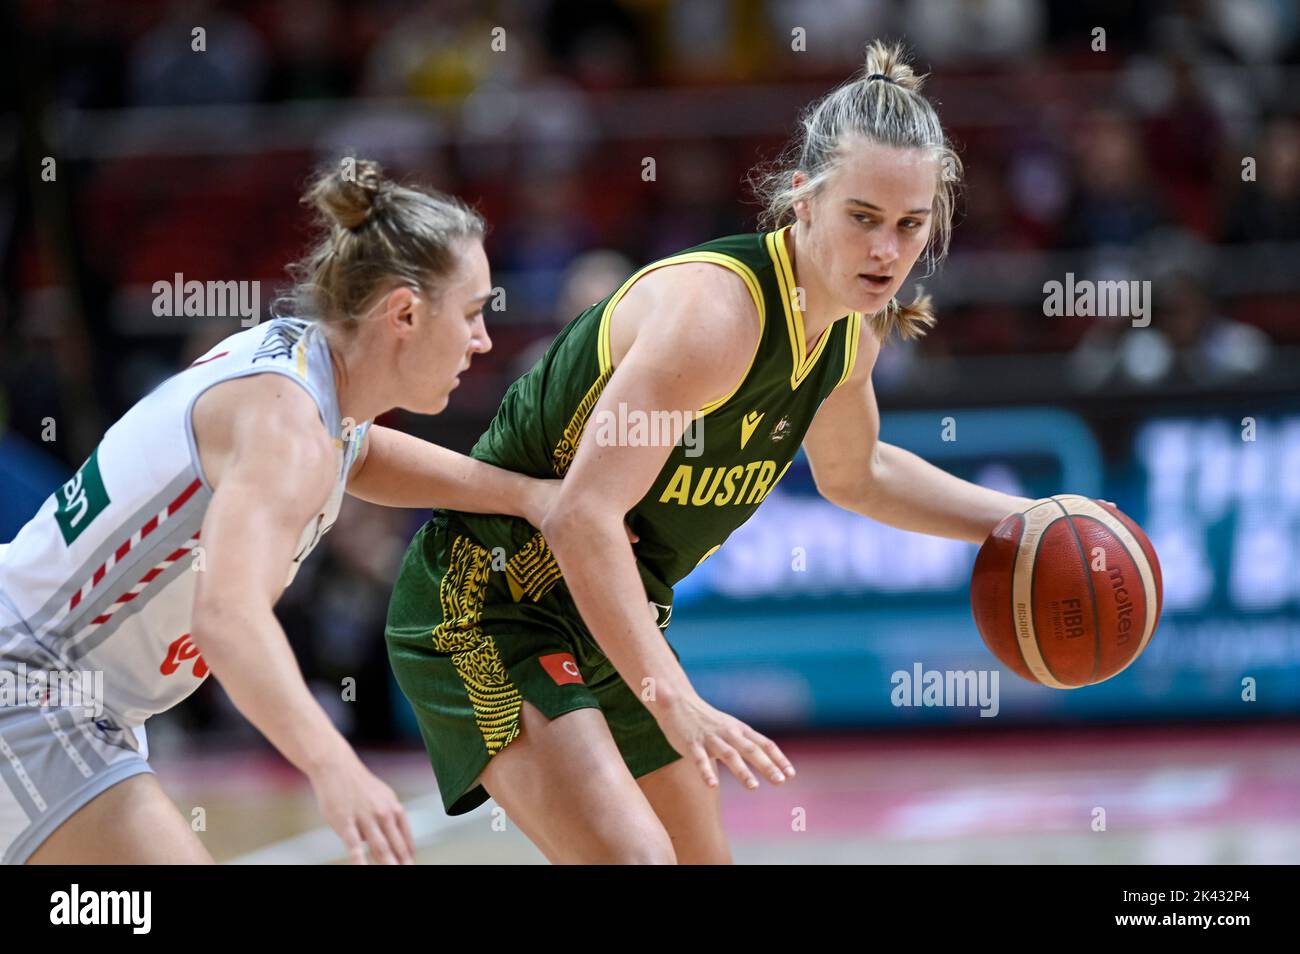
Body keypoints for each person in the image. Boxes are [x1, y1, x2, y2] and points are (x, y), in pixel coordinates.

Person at [385, 41, 1034, 863]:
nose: (885, 252)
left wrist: (1030, 518)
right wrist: (674, 699)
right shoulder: (715, 320)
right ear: (804, 202)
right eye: (862, 218)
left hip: (608, 611)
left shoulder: (849, 336)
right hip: (488, 596)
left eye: (910, 226)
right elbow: (582, 516)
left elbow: (858, 473)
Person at [0, 160, 558, 865]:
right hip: (33, 684)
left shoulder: (306, 374)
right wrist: (334, 764)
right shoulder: (288, 427)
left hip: (61, 675)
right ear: (406, 314)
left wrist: (528, 496)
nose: (482, 339)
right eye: (473, 312)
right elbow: (227, 616)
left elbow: (359, 453)